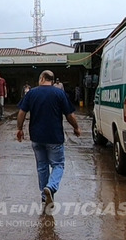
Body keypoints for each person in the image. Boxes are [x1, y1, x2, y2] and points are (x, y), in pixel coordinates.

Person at [16, 70, 81, 209]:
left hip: (37, 137)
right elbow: (69, 115)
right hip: (55, 137)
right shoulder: (59, 93)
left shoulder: (31, 93)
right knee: (58, 165)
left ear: (42, 78)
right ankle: (51, 188)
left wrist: (19, 129)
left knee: (42, 166)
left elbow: (21, 112)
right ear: (51, 80)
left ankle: (45, 196)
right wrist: (76, 127)